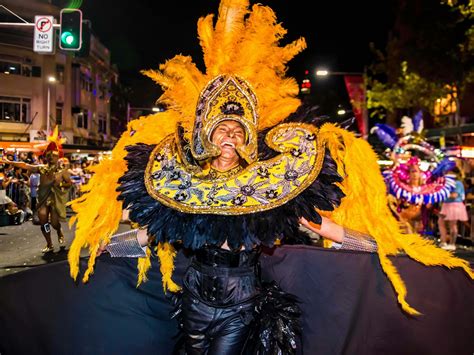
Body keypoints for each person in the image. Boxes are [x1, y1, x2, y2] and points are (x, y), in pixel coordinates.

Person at [64, 1, 473, 354]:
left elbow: (322, 228)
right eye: (222, 129)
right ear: (206, 135)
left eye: (238, 131)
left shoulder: (270, 191)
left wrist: (382, 249)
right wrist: (103, 247)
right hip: (192, 302)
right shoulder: (184, 191)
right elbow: (148, 236)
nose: (229, 136)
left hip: (240, 307)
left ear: (247, 140)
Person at [1, 126, 72, 253]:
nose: (51, 157)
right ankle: (49, 243)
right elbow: (25, 165)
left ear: (58, 157)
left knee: (54, 222)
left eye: (54, 155)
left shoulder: (63, 172)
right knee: (44, 222)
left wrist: (60, 185)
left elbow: (69, 184)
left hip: (54, 199)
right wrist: (9, 162)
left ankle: (59, 232)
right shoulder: (41, 168)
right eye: (49, 155)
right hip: (42, 199)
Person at [438, 167, 469, 250]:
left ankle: (452, 243)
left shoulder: (458, 183)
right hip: (446, 205)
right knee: (441, 222)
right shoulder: (446, 183)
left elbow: (454, 195)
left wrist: (442, 194)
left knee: (452, 225)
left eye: (450, 173)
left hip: (454, 205)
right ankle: (443, 241)